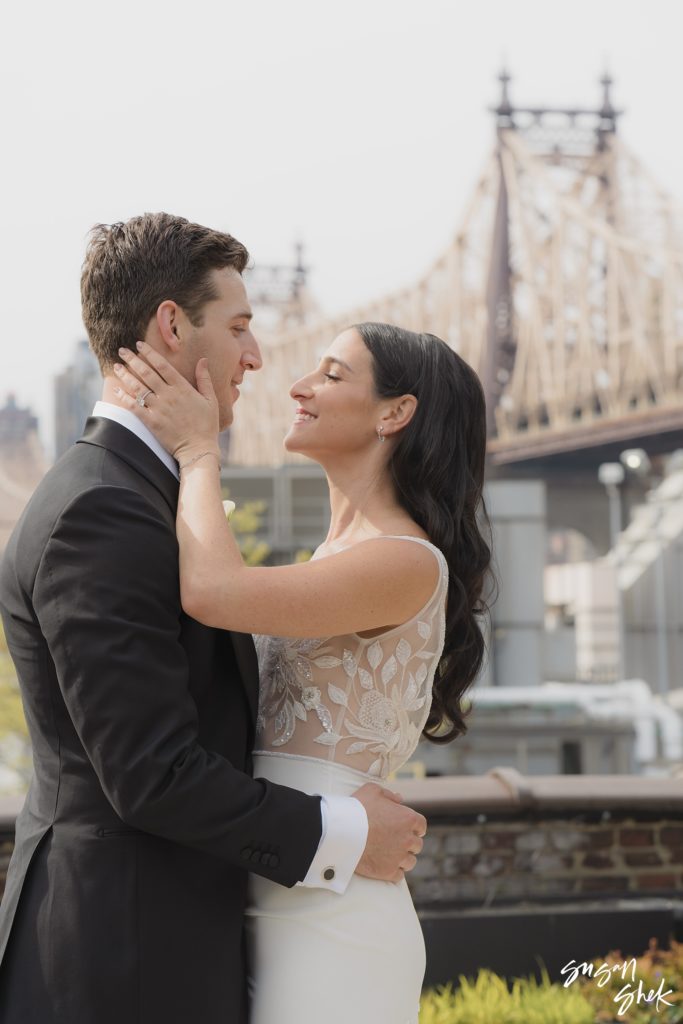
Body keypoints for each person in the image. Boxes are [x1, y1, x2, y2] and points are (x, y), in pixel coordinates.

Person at [0, 213, 427, 1024]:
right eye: (238, 328)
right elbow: (150, 773)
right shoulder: (103, 510)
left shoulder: (139, 496)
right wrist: (343, 834)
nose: (259, 357)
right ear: (170, 325)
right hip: (119, 961)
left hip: (162, 944)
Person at [111, 316, 493, 1023]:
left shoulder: (402, 561)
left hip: (334, 923)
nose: (297, 385)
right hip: (276, 885)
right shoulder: (336, 558)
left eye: (330, 374)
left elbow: (212, 593)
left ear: (395, 413)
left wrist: (199, 452)